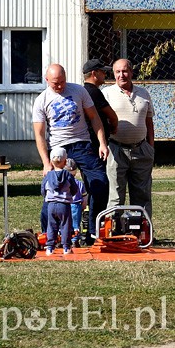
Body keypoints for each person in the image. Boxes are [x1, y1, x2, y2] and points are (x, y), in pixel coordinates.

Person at [33, 63, 110, 246]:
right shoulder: (42, 100)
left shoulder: (79, 91)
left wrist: (102, 143)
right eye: (55, 83)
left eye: (62, 81)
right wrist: (46, 162)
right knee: (54, 192)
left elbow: (95, 118)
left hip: (82, 145)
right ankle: (50, 234)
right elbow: (39, 134)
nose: (59, 86)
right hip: (58, 149)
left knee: (100, 184)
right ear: (47, 80)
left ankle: (93, 231)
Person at [102, 59, 155, 218]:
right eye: (117, 72)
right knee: (116, 195)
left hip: (141, 150)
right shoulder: (107, 93)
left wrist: (150, 147)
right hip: (116, 149)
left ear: (131, 72)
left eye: (124, 71)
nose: (121, 75)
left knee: (142, 194)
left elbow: (149, 122)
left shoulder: (144, 93)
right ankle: (115, 234)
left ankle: (142, 233)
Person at [41, 147, 79, 255]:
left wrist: (46, 197)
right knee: (65, 225)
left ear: (51, 162)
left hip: (51, 204)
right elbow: (75, 188)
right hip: (64, 205)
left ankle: (50, 247)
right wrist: (70, 195)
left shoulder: (48, 175)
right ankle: (66, 247)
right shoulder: (68, 175)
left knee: (51, 225)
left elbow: (43, 188)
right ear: (65, 161)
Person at [82, 58, 118, 153]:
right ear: (94, 73)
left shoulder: (82, 91)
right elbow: (112, 116)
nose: (105, 74)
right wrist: (113, 127)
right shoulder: (94, 92)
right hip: (95, 141)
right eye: (103, 71)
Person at [66, 159, 88, 248]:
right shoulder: (79, 183)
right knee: (75, 223)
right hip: (76, 205)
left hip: (65, 204)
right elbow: (84, 196)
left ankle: (63, 239)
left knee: (64, 223)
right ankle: (74, 241)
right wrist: (84, 205)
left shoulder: (62, 183)